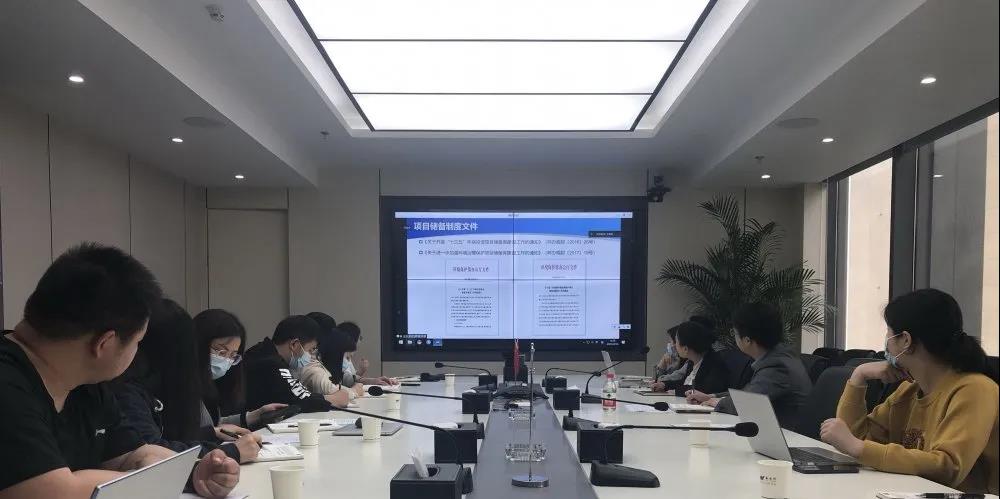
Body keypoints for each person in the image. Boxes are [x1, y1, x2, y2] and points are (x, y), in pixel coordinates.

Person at [0, 243, 238, 499]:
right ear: (105, 343)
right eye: (138, 343)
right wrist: (154, 478)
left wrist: (192, 472)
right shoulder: (8, 383)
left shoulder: (86, 383)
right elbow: (54, 492)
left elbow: (130, 455)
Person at [819, 289, 998, 494]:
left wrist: (858, 447)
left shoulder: (976, 390)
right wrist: (859, 376)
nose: (886, 340)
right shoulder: (910, 389)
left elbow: (948, 467)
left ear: (906, 340)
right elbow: (853, 441)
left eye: (888, 331)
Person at [112, 300, 261, 464]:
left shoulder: (164, 383)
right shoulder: (128, 390)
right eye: (220, 352)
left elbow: (173, 438)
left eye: (232, 356)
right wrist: (230, 452)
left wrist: (212, 433)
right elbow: (150, 452)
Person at [686, 302, 811, 429]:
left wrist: (717, 402)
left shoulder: (777, 366)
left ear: (747, 340)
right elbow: (749, 393)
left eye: (734, 333)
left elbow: (747, 403)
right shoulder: (781, 355)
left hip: (790, 435)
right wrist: (712, 397)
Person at [194, 309, 286, 434]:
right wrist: (214, 434)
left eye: (233, 355)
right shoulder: (179, 384)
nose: (226, 361)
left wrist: (255, 415)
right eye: (221, 352)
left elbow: (213, 424)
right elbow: (181, 437)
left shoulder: (211, 385)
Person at [242, 315, 342, 412]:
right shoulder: (271, 363)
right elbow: (298, 397)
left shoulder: (261, 351)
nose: (311, 356)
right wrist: (331, 399)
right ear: (294, 344)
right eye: (310, 350)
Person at [656, 320, 731, 396]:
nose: (674, 346)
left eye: (676, 341)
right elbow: (684, 383)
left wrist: (677, 391)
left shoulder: (714, 362)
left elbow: (703, 389)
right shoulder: (692, 361)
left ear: (685, 349)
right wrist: (664, 385)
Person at [297, 325, 357, 406]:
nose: (348, 361)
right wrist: (354, 390)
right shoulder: (313, 369)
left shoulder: (319, 365)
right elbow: (333, 393)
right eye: (346, 357)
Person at [337, 321, 395, 387]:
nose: (360, 341)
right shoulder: (337, 357)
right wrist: (371, 381)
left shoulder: (347, 358)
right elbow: (346, 381)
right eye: (360, 338)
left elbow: (351, 378)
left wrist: (362, 372)